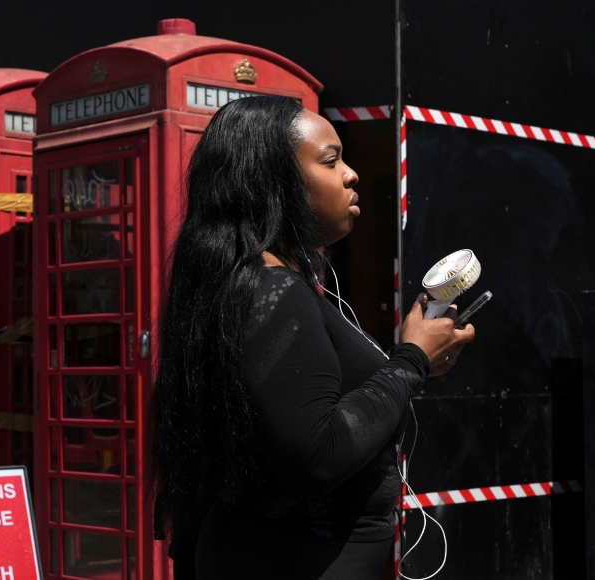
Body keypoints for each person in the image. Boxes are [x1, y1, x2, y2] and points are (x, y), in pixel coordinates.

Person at [149, 96, 475, 580]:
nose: (351, 174)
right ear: (272, 182)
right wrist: (410, 361)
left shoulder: (257, 283)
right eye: (331, 160)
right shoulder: (271, 288)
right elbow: (318, 455)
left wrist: (419, 357)